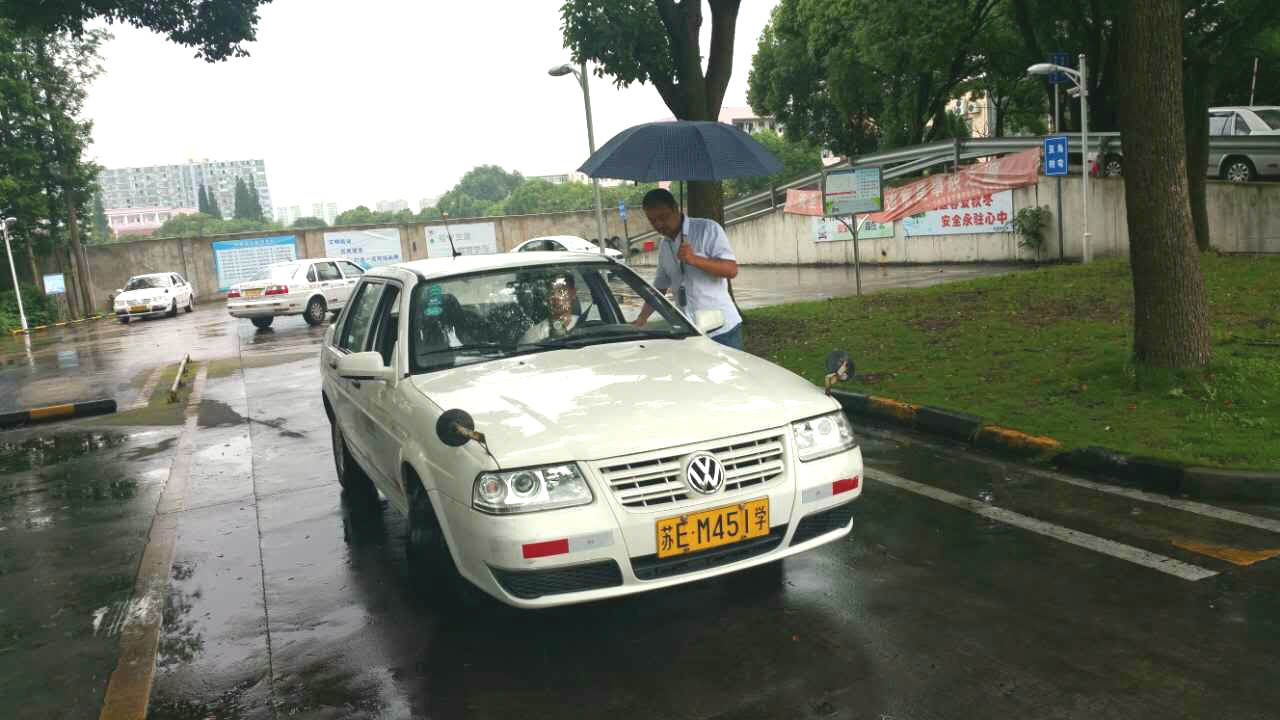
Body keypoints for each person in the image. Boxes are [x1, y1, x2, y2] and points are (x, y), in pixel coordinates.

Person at [633, 188, 743, 349]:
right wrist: (642, 318)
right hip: (691, 333)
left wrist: (694, 259)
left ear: (676, 208)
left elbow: (731, 270)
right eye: (652, 220)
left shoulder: (708, 229)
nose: (658, 225)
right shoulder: (664, 245)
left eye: (663, 217)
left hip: (722, 330)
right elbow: (659, 288)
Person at [518, 271, 579, 344]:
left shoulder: (585, 324)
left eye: (561, 291)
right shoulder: (532, 337)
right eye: (551, 292)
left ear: (573, 293)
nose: (555, 297)